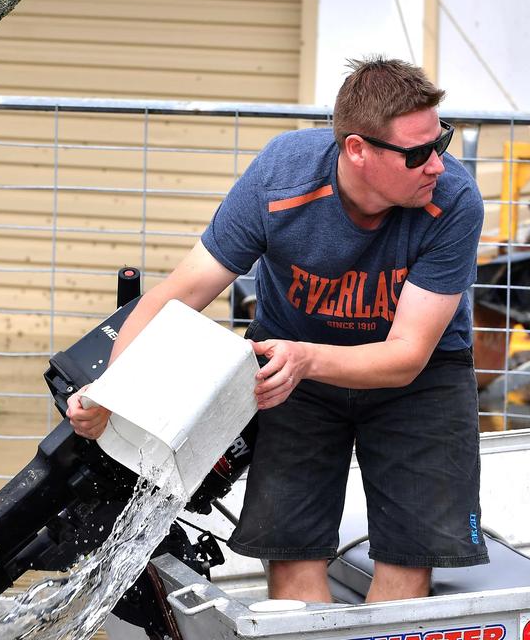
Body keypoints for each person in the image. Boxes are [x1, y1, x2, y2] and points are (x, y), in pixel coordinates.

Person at [67, 56, 487, 603]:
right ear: (357, 149)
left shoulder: (453, 200)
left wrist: (307, 358)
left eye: (442, 141)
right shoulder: (280, 178)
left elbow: (407, 354)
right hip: (290, 374)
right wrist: (112, 392)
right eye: (417, 153)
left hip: (418, 379)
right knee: (291, 550)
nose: (436, 164)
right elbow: (181, 294)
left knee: (410, 557)